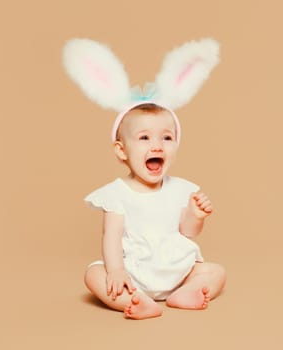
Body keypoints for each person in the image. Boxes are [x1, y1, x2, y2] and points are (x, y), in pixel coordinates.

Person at [62, 38, 225, 319]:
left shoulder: (182, 188)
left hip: (177, 269)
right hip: (133, 272)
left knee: (215, 271)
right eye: (144, 138)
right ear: (121, 150)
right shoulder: (116, 194)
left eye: (167, 137)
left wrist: (196, 215)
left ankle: (185, 292)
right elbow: (111, 238)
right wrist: (115, 270)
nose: (157, 146)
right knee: (94, 274)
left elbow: (187, 232)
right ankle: (133, 299)